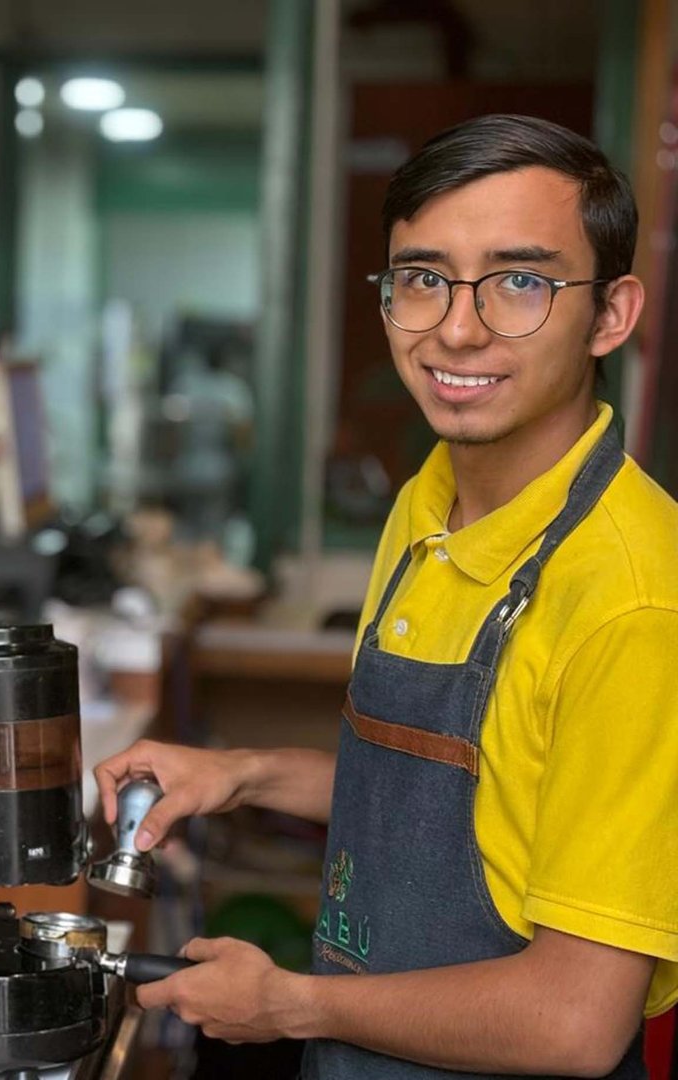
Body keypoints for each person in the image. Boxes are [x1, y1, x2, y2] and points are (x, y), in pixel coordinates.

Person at [96, 114, 678, 1079]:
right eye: (423, 278)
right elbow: (458, 811)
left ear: (612, 315)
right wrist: (240, 774)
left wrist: (290, 1005)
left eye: (521, 281)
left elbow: (574, 1021)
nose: (457, 326)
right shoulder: (430, 500)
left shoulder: (634, 603)